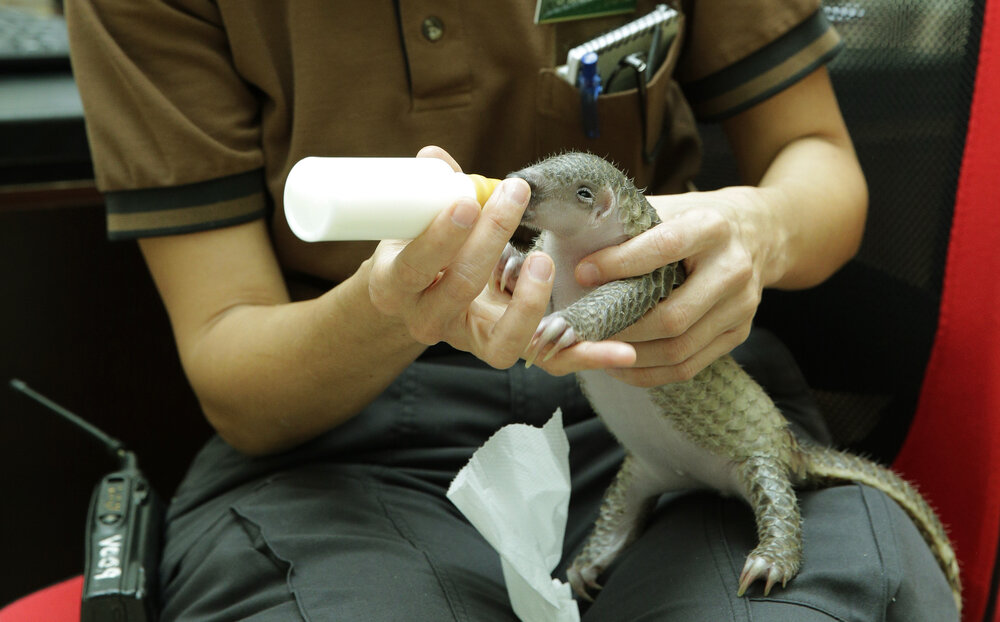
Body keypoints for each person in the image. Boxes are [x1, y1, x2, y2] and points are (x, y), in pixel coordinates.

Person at [67, 0, 957, 620]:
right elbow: (234, 372)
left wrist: (760, 226)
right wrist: (394, 311)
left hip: (677, 388)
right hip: (346, 441)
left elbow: (818, 160)